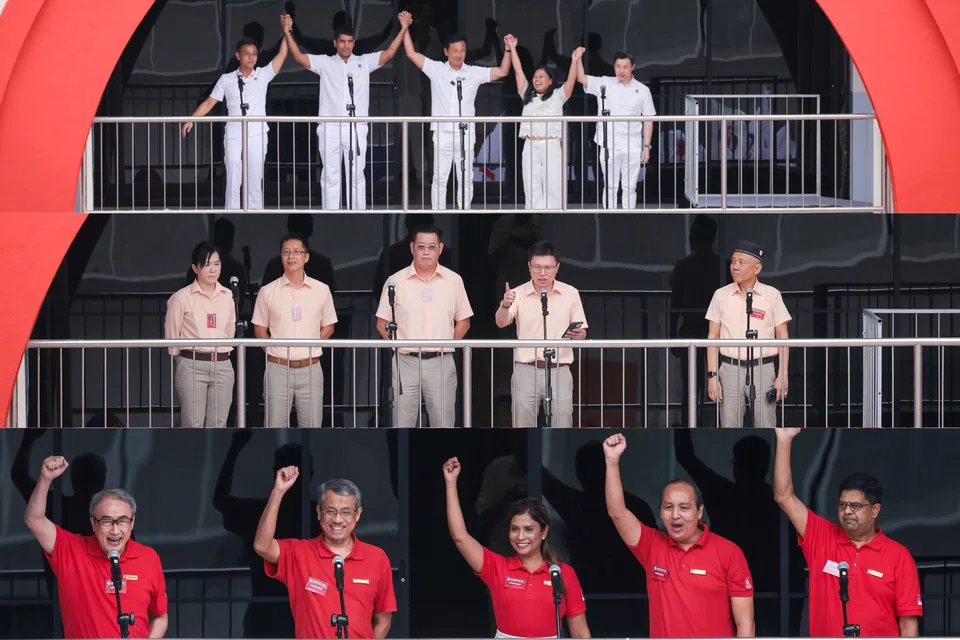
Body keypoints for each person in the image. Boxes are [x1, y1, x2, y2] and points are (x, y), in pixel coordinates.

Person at [773, 428, 922, 637]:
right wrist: (784, 440)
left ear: (875, 510)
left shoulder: (898, 556)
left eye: (855, 506)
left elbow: (908, 624)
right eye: (842, 505)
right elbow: (784, 497)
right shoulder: (822, 537)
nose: (847, 511)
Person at [603, 433, 755, 638]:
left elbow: (745, 623)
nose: (675, 515)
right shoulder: (652, 545)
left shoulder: (728, 552)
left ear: (699, 511)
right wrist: (612, 462)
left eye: (684, 507)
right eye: (668, 507)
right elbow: (617, 513)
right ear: (660, 511)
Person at [442, 457, 590, 638]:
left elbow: (581, 633)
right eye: (514, 529)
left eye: (529, 529)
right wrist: (450, 483)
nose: (520, 537)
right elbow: (460, 537)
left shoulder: (561, 573)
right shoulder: (497, 567)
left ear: (544, 532)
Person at [23, 456, 168, 638]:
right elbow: (34, 520)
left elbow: (160, 616)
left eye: (122, 521)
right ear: (93, 523)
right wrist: (45, 478)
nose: (115, 530)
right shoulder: (71, 550)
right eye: (106, 521)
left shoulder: (149, 558)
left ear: (132, 523)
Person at [283, 13, 412, 210]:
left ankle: (357, 211)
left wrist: (404, 28)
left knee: (357, 174)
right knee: (330, 175)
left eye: (349, 42)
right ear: (335, 43)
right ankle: (331, 213)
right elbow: (299, 58)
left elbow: (389, 53)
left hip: (356, 127)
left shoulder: (364, 62)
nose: (345, 45)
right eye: (342, 41)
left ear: (354, 43)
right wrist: (287, 32)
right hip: (329, 127)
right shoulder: (325, 63)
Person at [254, 472, 396, 639]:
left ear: (357, 514)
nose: (337, 520)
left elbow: (383, 618)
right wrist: (278, 492)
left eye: (345, 512)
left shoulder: (376, 557)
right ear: (319, 512)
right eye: (330, 511)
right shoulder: (299, 553)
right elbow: (262, 546)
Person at [182, 19, 290, 210]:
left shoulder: (263, 75)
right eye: (247, 54)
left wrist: (286, 31)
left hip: (257, 133)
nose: (251, 58)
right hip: (234, 133)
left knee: (255, 177)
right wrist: (192, 119)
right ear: (238, 56)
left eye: (254, 54)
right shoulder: (226, 79)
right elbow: (210, 101)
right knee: (233, 174)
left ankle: (255, 211)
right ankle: (232, 210)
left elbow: (282, 55)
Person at [402, 27, 513, 209]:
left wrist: (508, 49)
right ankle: (439, 210)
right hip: (442, 132)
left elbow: (502, 71)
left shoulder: (473, 72)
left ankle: (464, 210)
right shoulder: (436, 69)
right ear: (446, 52)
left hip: (466, 133)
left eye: (462, 50)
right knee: (440, 177)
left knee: (466, 177)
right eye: (455, 51)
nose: (459, 55)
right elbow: (411, 54)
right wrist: (405, 27)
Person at [375, 224, 473, 427]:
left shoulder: (454, 281)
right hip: (405, 361)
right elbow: (382, 323)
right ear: (412, 248)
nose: (426, 252)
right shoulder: (396, 281)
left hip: (441, 362)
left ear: (441, 248)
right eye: (421, 247)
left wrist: (447, 344)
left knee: (443, 423)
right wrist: (398, 345)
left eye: (431, 247)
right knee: (402, 423)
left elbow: (463, 321)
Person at [495, 241, 587, 427]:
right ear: (529, 267)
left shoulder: (570, 293)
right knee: (522, 423)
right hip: (526, 369)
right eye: (537, 267)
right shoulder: (517, 293)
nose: (542, 273)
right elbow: (501, 322)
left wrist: (579, 335)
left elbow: (582, 331)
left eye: (548, 268)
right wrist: (504, 305)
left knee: (562, 423)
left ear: (557, 267)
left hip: (559, 369)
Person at [252, 233, 338, 428]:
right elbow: (260, 330)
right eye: (286, 252)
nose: (291, 256)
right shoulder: (268, 291)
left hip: (311, 368)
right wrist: (276, 352)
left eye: (297, 252)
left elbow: (328, 327)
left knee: (312, 429)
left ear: (306, 257)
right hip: (278, 369)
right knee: (275, 427)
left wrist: (309, 346)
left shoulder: (321, 290)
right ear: (281, 257)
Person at [705, 240, 791, 427]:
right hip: (729, 369)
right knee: (729, 424)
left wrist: (783, 374)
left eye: (741, 262)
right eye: (733, 261)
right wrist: (712, 377)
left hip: (764, 368)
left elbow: (783, 336)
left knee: (766, 424)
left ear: (757, 268)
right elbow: (712, 337)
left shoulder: (772, 295)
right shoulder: (720, 295)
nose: (734, 267)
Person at [505, 35, 582, 210]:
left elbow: (571, 80)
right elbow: (518, 71)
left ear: (550, 80)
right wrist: (513, 48)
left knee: (553, 185)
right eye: (535, 77)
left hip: (551, 144)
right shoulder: (527, 94)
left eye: (541, 76)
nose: (537, 79)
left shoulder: (558, 96)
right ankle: (533, 213)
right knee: (531, 187)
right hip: (530, 144)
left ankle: (553, 216)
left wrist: (575, 60)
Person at [164, 241, 236, 427]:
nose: (212, 269)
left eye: (216, 264)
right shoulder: (181, 297)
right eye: (206, 264)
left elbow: (230, 330)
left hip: (222, 364)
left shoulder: (227, 295)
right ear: (195, 268)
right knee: (192, 423)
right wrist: (184, 361)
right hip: (192, 363)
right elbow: (172, 334)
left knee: (219, 423)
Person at [575, 50, 655, 210]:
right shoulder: (605, 83)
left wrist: (646, 147)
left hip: (632, 144)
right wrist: (577, 59)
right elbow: (581, 78)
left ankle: (628, 216)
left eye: (625, 67)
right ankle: (609, 216)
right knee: (610, 186)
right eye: (618, 66)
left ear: (633, 67)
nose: (621, 70)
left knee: (629, 187)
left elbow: (649, 119)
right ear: (614, 67)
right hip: (608, 144)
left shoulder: (643, 90)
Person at [668, 215, 728, 426]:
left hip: (693, 328)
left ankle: (690, 422)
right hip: (718, 331)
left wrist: (671, 332)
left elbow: (675, 302)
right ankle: (718, 423)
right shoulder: (723, 266)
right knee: (721, 380)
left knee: (691, 385)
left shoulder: (684, 267)